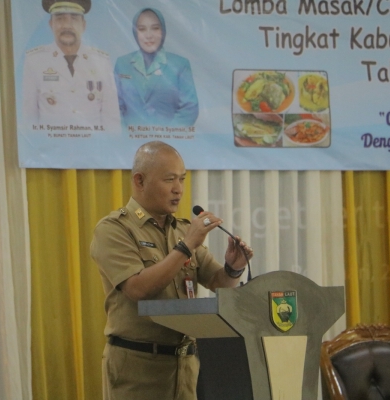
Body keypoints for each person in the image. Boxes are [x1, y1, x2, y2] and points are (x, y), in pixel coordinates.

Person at [90, 141, 253, 399]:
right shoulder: (114, 229)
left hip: (186, 365)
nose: (178, 189)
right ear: (140, 181)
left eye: (182, 179)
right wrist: (187, 245)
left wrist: (233, 268)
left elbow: (217, 282)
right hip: (137, 366)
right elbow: (138, 288)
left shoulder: (181, 228)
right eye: (169, 180)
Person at [22, 0, 120, 131]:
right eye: (60, 18)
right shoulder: (35, 61)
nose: (67, 25)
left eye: (73, 18)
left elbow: (111, 117)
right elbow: (29, 118)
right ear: (51, 24)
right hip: (51, 148)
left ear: (83, 25)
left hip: (93, 148)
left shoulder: (101, 61)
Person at [114, 8, 199, 128]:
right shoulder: (122, 63)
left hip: (168, 143)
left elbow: (189, 108)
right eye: (142, 29)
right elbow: (114, 107)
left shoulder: (180, 64)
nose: (149, 35)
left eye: (155, 28)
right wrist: (126, 137)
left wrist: (167, 136)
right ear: (135, 32)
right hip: (129, 142)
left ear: (163, 30)